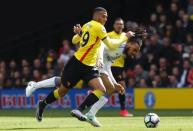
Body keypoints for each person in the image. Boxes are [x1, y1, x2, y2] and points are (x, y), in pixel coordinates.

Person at [26, 7, 134, 123]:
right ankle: (41, 100)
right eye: (104, 16)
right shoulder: (99, 27)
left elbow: (74, 40)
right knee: (62, 90)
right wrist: (125, 37)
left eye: (107, 16)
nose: (106, 18)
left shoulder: (87, 25)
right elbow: (112, 45)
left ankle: (79, 110)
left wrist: (79, 34)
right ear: (97, 16)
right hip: (77, 63)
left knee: (101, 89)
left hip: (90, 66)